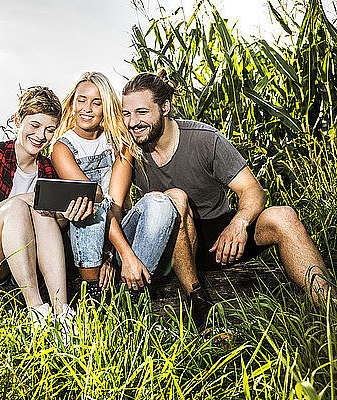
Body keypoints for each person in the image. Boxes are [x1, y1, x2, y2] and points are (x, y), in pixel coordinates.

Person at [118, 70, 331, 308]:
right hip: (171, 247)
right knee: (176, 198)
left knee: (284, 217)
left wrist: (238, 224)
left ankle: (328, 307)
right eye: (126, 113)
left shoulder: (204, 139)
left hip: (219, 240)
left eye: (142, 112)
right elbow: (121, 206)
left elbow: (252, 189)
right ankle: (197, 301)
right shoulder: (130, 150)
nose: (132, 122)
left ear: (164, 107)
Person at [51, 72, 201, 303]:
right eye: (81, 100)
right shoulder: (62, 148)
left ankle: (133, 292)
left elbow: (117, 206)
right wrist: (121, 254)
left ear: (106, 106)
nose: (87, 108)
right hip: (85, 244)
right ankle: (93, 294)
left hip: (118, 234)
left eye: (96, 102)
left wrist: (114, 255)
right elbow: (96, 202)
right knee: (89, 203)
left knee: (159, 202)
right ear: (72, 103)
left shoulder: (120, 145)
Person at [0, 86, 90, 331]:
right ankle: (36, 310)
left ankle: (62, 312)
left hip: (22, 258)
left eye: (50, 130)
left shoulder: (48, 169)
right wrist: (19, 200)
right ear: (18, 120)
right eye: (35, 126)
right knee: (20, 206)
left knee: (42, 208)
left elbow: (53, 226)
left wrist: (63, 215)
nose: (41, 135)